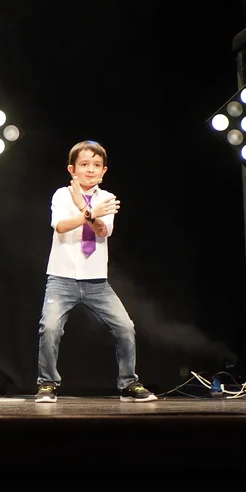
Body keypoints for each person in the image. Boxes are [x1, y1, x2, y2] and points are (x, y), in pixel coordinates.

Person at [35, 140, 156, 403]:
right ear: (72, 169)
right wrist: (87, 210)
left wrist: (87, 210)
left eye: (97, 165)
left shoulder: (107, 198)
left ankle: (128, 383)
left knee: (125, 327)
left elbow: (102, 230)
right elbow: (61, 226)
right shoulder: (62, 195)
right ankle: (47, 383)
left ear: (104, 171)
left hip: (96, 281)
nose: (90, 169)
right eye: (84, 164)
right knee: (50, 327)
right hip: (62, 277)